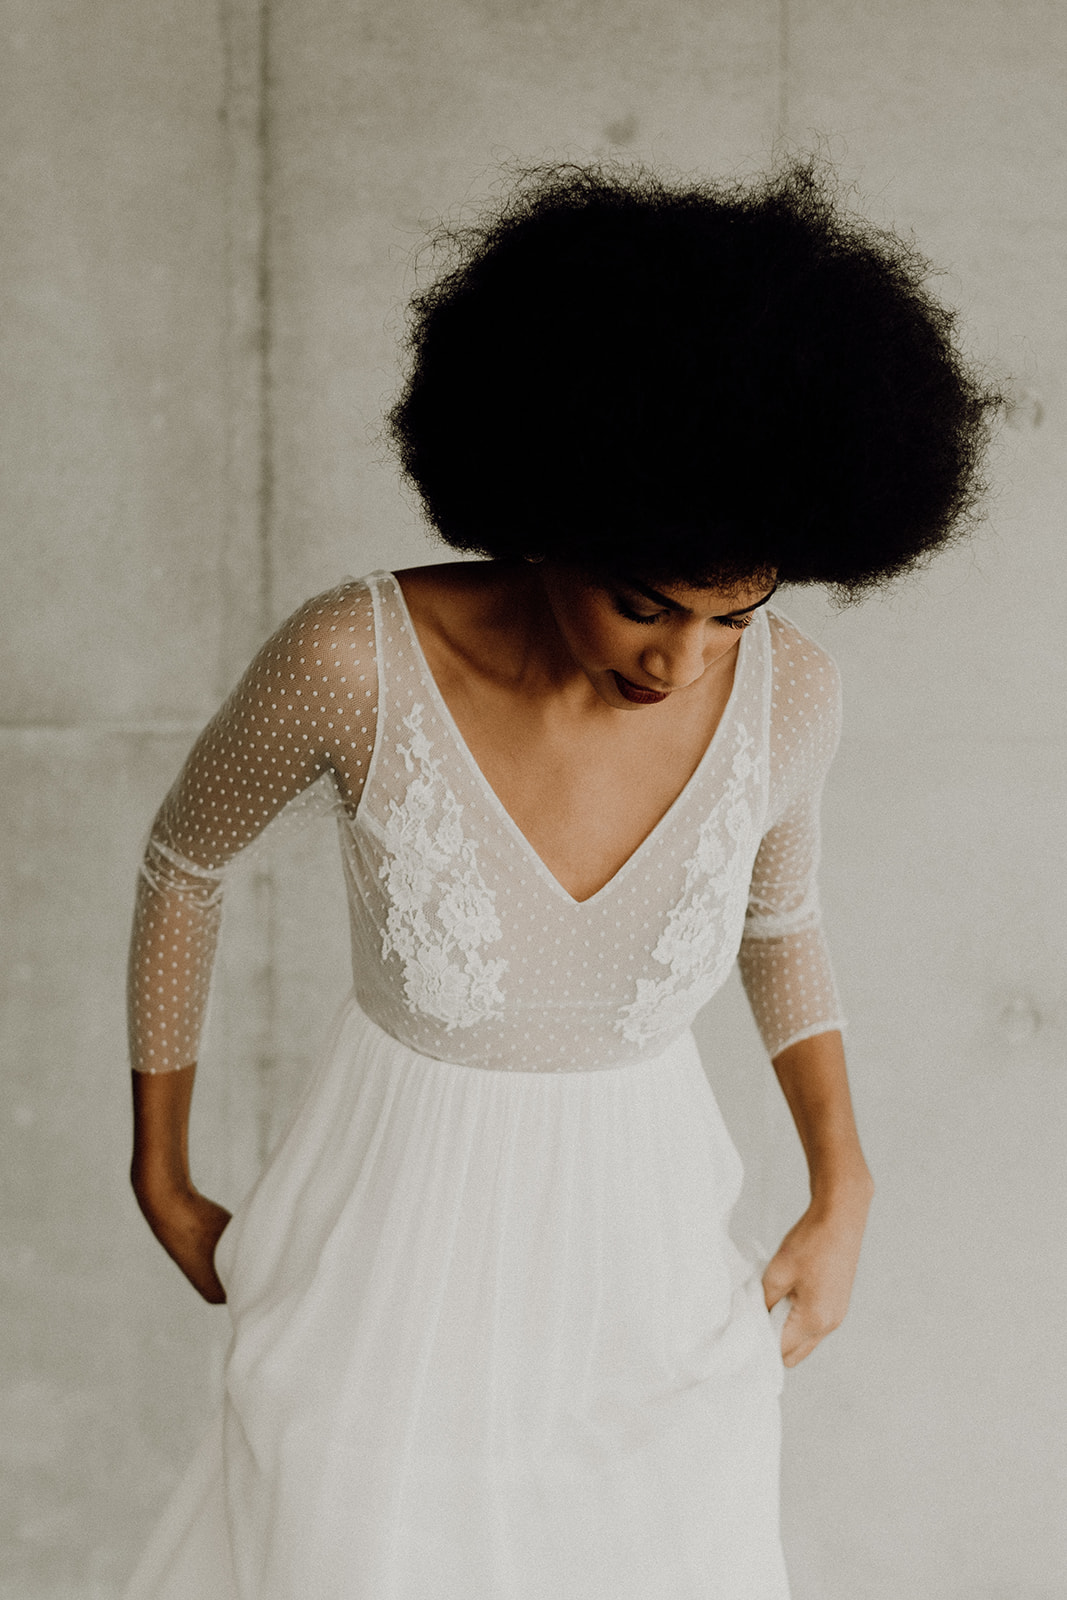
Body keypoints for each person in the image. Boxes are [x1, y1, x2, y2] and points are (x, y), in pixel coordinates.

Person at [124, 161, 999, 1599]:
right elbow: (183, 861)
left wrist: (844, 1185)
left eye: (735, 615)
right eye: (644, 603)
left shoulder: (790, 700)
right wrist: (160, 1171)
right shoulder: (353, 662)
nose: (683, 661)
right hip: (389, 1247)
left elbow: (780, 921)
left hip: (647, 1259)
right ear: (549, 515)